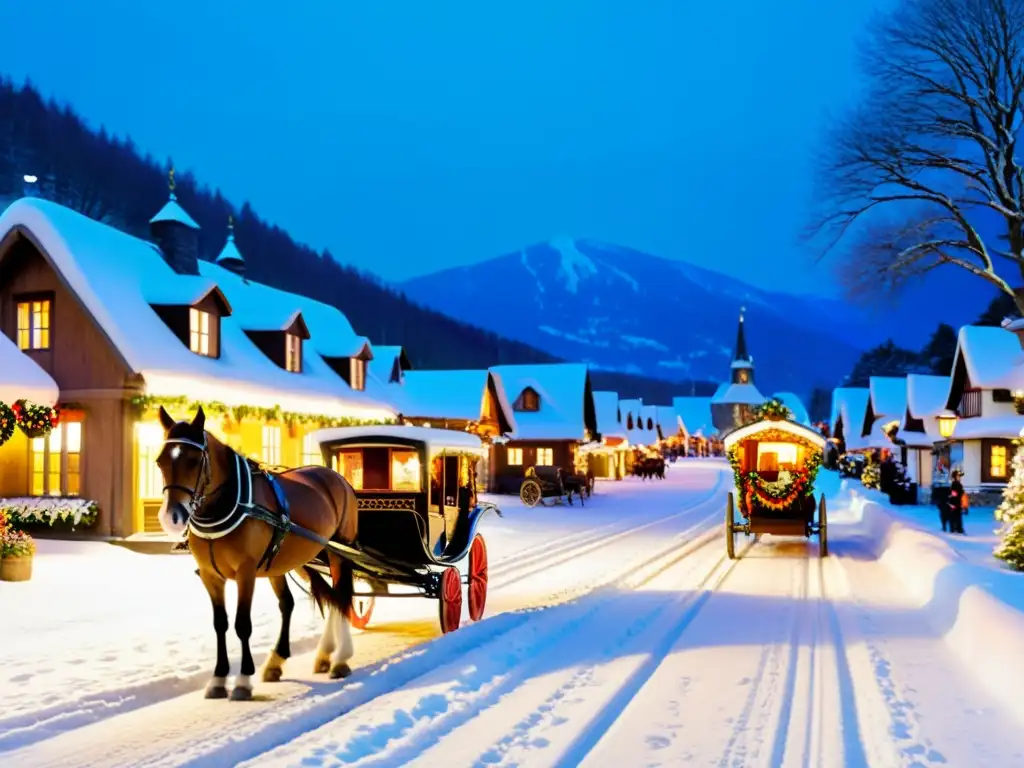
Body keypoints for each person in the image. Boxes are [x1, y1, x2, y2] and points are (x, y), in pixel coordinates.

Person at [945, 469, 967, 534]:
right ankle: (956, 529)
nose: (960, 477)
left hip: (957, 503)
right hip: (954, 503)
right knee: (955, 516)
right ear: (955, 477)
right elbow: (953, 494)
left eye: (960, 476)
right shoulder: (954, 484)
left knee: (957, 516)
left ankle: (958, 529)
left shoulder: (957, 484)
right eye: (958, 476)